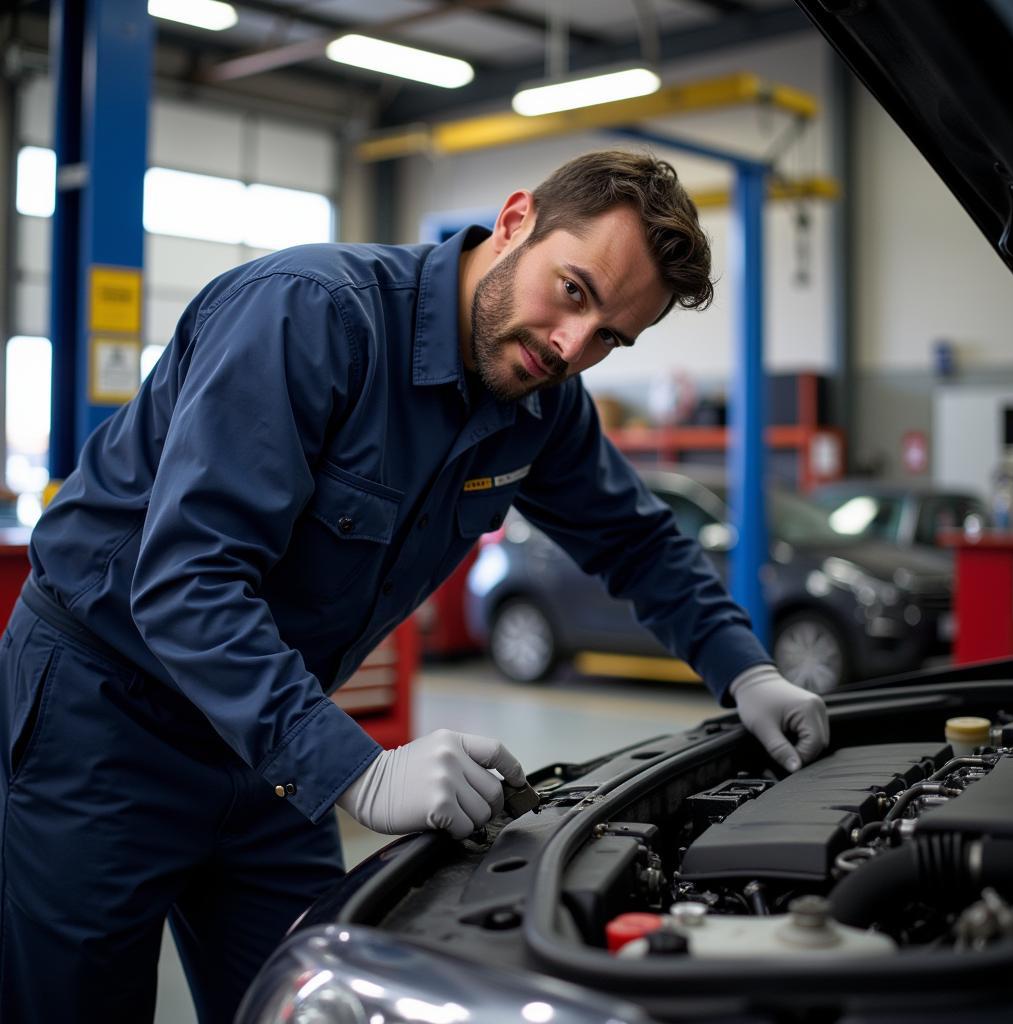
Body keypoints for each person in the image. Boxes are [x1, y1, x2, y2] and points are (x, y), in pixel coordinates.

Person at [0, 149, 827, 1022]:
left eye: (611, 339)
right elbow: (185, 580)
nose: (570, 348)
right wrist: (358, 773)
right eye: (574, 292)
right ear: (515, 222)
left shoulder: (540, 405)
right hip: (103, 718)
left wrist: (748, 672)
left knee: (316, 998)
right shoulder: (311, 316)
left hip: (271, 740)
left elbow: (637, 539)